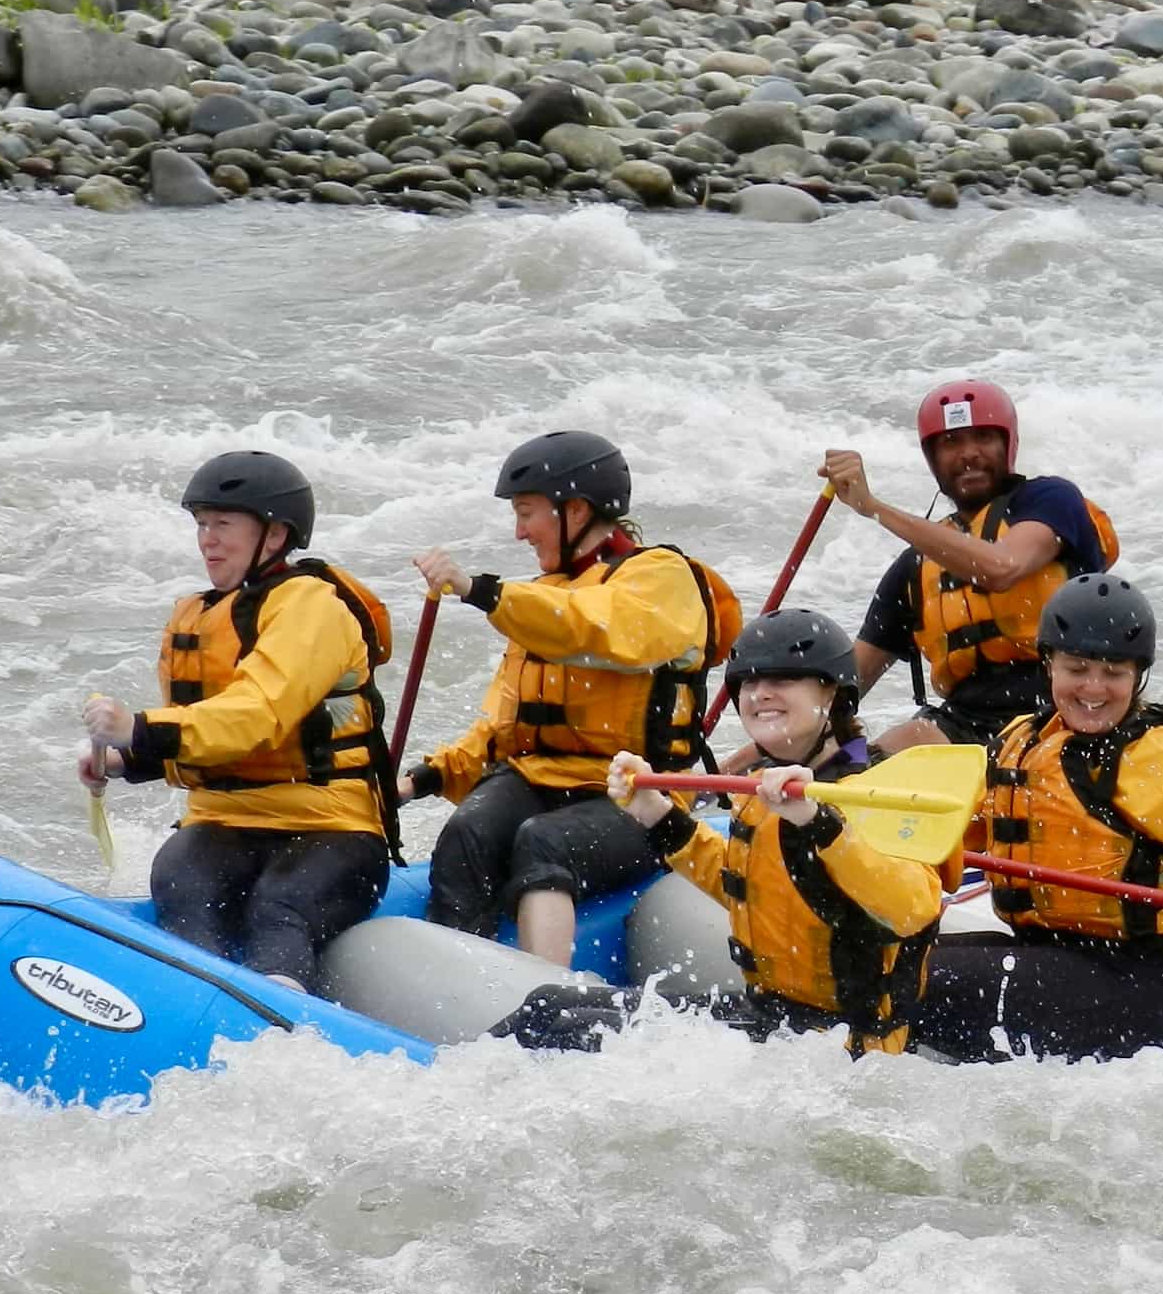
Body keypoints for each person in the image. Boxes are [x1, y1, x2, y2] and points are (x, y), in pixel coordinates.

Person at [493, 608, 947, 1055]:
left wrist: (818, 823)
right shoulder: (763, 790)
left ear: (832, 695)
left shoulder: (874, 792)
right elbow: (749, 888)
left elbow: (913, 907)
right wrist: (655, 813)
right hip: (772, 1019)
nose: (760, 694)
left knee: (559, 1029)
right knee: (547, 1006)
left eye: (783, 680)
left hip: (840, 1047)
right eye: (749, 682)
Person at [913, 575, 1163, 1063]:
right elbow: (945, 832)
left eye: (1114, 673)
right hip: (1052, 955)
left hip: (1141, 986)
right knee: (884, 955)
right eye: (1076, 669)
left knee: (910, 982)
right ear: (1048, 665)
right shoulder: (1025, 739)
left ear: (1138, 677)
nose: (1093, 689)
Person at [399, 431, 741, 964]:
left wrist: (481, 590)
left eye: (527, 513)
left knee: (543, 841)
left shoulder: (660, 577)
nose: (519, 533)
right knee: (467, 832)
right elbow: (502, 726)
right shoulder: (543, 598)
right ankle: (458, 981)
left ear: (575, 509)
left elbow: (602, 631)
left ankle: (545, 992)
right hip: (541, 778)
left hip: (636, 791)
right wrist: (422, 778)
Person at [79, 451, 399, 991]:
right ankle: (194, 1009)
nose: (208, 539)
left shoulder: (312, 609)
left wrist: (137, 728)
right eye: (202, 524)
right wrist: (122, 759)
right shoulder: (201, 613)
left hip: (329, 828)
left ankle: (278, 1028)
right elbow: (204, 730)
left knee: (277, 910)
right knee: (181, 883)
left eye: (224, 525)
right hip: (225, 822)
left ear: (274, 536)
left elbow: (257, 716)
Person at [820, 379, 1119, 755]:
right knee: (896, 742)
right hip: (966, 725)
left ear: (1007, 444)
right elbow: (838, 693)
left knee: (917, 737)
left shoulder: (1051, 501)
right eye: (951, 443)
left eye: (982, 438)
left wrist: (874, 508)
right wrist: (748, 761)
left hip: (1069, 712)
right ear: (932, 457)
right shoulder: (916, 568)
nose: (968, 454)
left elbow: (1001, 567)